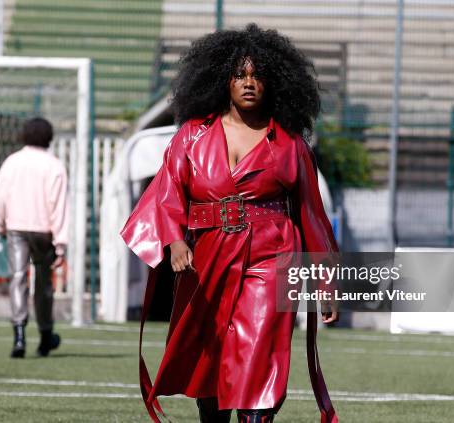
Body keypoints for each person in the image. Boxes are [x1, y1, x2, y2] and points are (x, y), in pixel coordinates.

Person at [120, 24, 339, 423]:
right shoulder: (190, 137)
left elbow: (312, 216)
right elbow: (166, 196)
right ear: (222, 79)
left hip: (272, 257)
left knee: (261, 357)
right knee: (208, 364)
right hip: (205, 259)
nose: (249, 83)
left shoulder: (291, 144)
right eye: (240, 74)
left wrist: (326, 283)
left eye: (258, 75)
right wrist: (174, 241)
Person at [0, 117, 67, 359]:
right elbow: (59, 205)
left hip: (16, 227)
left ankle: (19, 335)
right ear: (49, 138)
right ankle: (45, 335)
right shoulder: (54, 165)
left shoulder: (12, 162)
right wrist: (61, 241)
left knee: (17, 278)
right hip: (44, 230)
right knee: (44, 283)